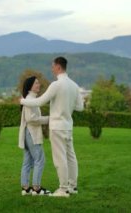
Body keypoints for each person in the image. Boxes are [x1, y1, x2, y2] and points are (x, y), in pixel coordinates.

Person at [20, 57, 84, 197]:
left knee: (60, 159)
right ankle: (73, 187)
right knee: (71, 157)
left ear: (58, 67)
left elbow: (40, 101)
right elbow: (80, 107)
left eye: (53, 66)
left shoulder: (56, 85)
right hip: (68, 126)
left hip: (57, 126)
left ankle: (63, 189)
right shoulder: (74, 85)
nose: (52, 69)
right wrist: (66, 105)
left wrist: (23, 100)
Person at [19, 76, 51, 196]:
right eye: (36, 83)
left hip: (28, 133)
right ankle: (36, 189)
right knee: (40, 160)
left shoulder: (30, 99)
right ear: (30, 86)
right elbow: (31, 119)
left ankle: (25, 188)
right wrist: (48, 119)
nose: (39, 85)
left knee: (27, 161)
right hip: (31, 133)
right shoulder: (29, 99)